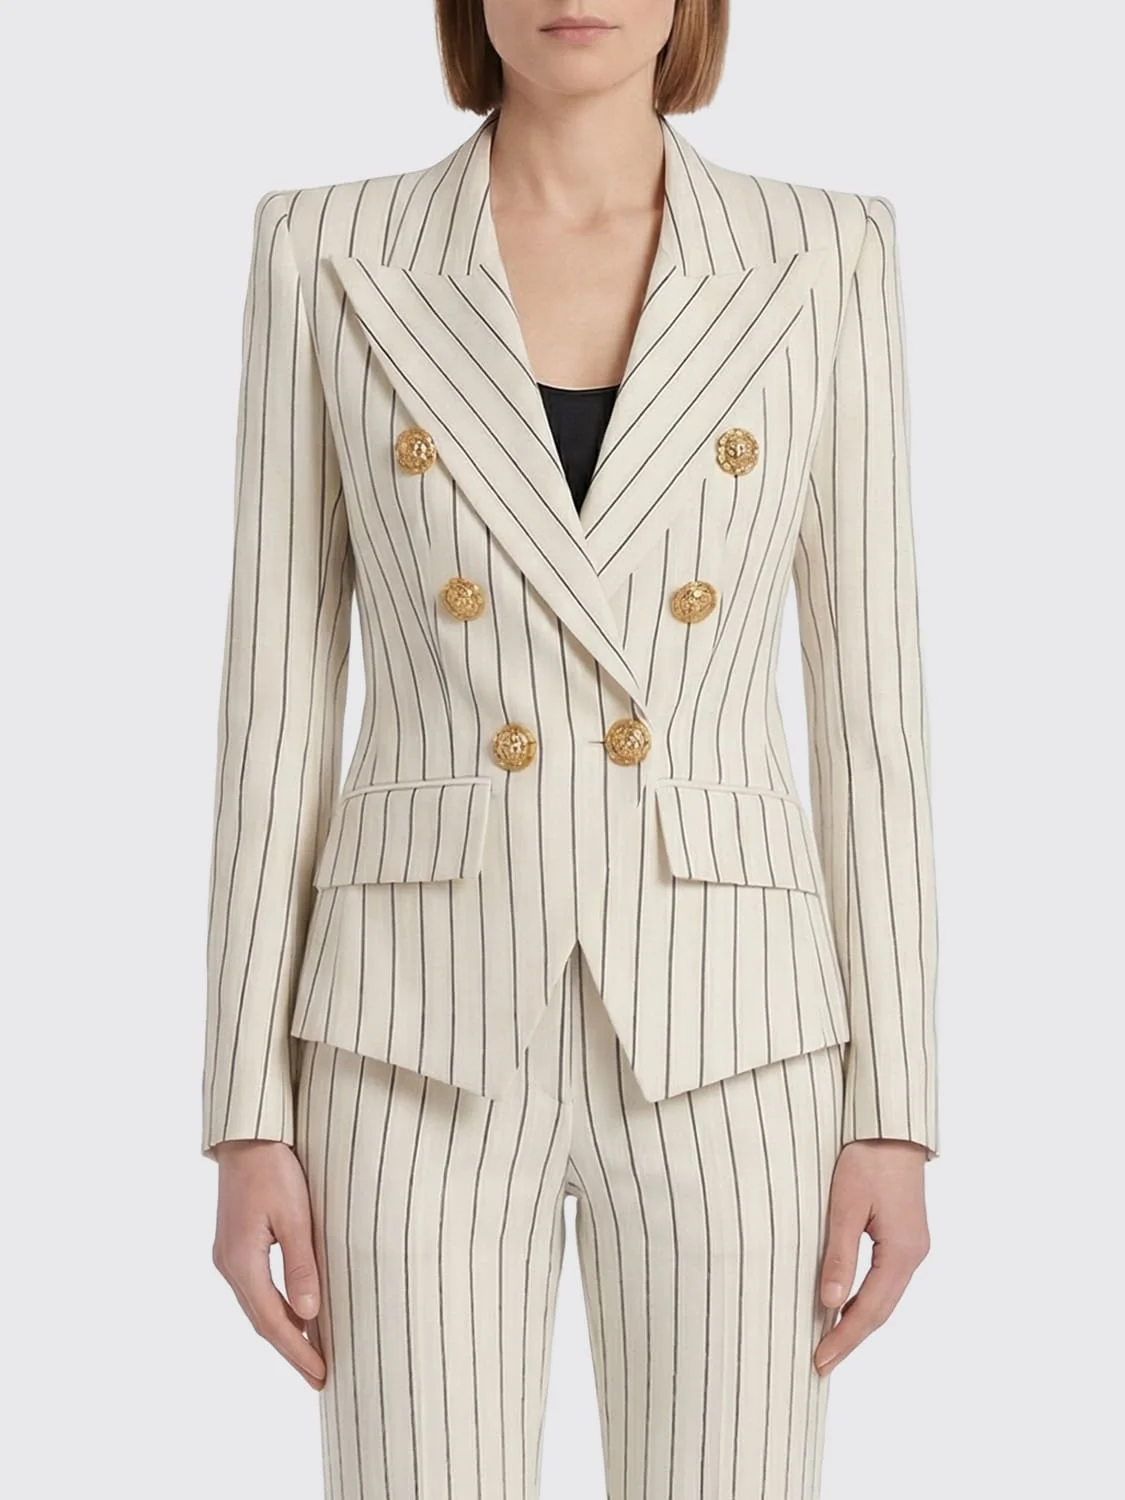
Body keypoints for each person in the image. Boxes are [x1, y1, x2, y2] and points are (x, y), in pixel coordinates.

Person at [202, 3, 940, 1496]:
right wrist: (244, 1114)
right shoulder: (326, 250)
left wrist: (896, 1111)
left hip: (732, 1024)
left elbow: (872, 711)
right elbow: (274, 702)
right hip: (409, 1027)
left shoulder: (823, 254)